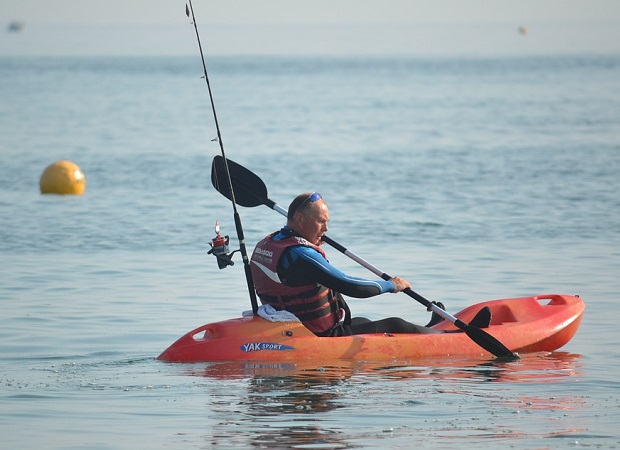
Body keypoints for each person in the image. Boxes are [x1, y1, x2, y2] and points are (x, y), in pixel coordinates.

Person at [249, 191, 451, 337]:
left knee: (364, 322)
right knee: (395, 324)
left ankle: (431, 328)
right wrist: (392, 285)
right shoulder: (300, 254)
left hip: (294, 327)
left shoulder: (269, 243)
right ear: (299, 219)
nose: (326, 229)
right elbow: (352, 286)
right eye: (321, 222)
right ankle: (446, 337)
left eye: (327, 222)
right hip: (320, 335)